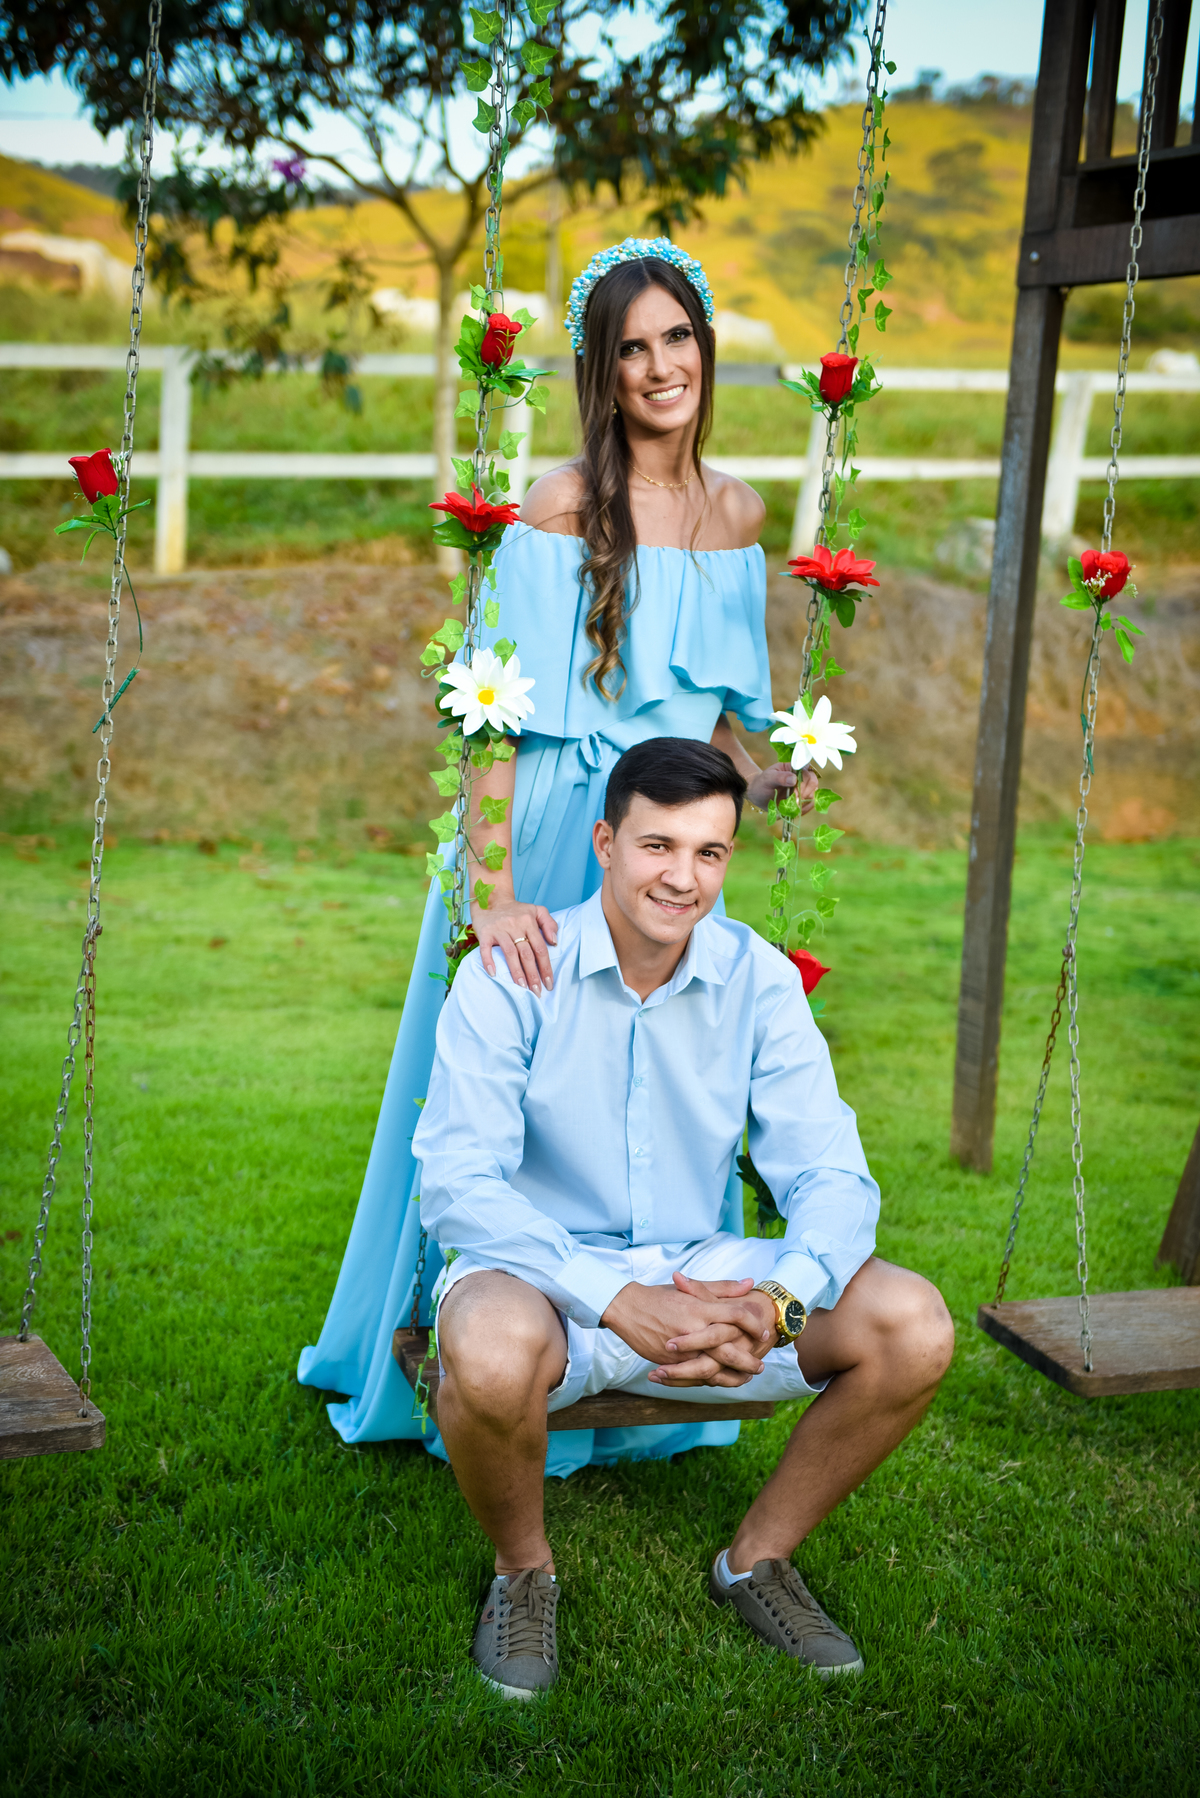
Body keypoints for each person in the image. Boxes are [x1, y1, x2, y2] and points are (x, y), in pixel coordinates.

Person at [298, 238, 814, 1474]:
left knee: (660, 1085)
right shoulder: (559, 504)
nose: (660, 366)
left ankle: (656, 1365)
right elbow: (491, 713)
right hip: (544, 826)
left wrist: (756, 775)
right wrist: (494, 892)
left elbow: (713, 716)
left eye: (677, 337)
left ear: (705, 348)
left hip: (663, 835)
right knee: (503, 1089)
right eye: (631, 348)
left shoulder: (740, 513)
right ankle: (471, 1357)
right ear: (601, 370)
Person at [414, 739, 955, 1695]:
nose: (682, 877)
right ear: (605, 843)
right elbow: (459, 1185)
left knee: (913, 1325)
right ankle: (523, 1572)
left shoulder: (759, 979)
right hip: (543, 1280)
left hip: (705, 1275)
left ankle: (757, 1561)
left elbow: (832, 1173)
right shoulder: (508, 974)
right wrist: (615, 1297)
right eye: (657, 845)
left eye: (709, 852)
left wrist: (779, 1301)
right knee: (490, 1354)